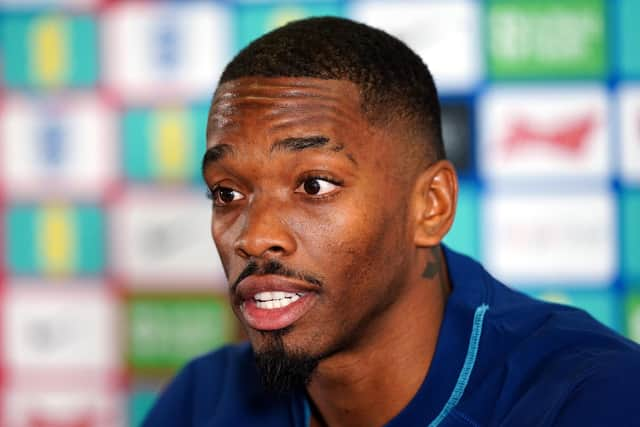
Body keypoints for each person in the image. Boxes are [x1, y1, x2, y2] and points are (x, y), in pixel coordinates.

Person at [143, 17, 640, 427]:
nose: (254, 236)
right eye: (227, 193)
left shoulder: (590, 398)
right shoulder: (202, 400)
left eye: (314, 185)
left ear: (431, 206)